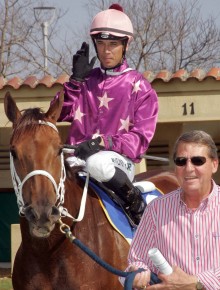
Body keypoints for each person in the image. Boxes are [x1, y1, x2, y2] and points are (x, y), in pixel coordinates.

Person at [54, 3, 158, 226]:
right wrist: (74, 82)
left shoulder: (141, 87)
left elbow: (140, 141)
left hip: (116, 164)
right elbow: (57, 114)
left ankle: (135, 203)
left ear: (125, 45)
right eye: (100, 44)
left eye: (113, 44)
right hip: (75, 159)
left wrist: (104, 142)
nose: (106, 50)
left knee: (98, 163)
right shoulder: (85, 81)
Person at [123, 130, 220, 289]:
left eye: (197, 160)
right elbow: (137, 260)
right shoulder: (156, 209)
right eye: (181, 161)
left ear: (214, 164)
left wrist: (196, 283)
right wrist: (138, 272)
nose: (189, 168)